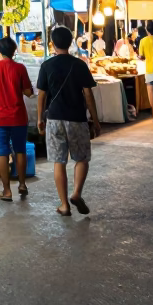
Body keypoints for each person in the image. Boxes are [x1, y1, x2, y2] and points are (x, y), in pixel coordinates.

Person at [37, 25, 100, 217]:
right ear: (71, 42)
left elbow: (41, 94)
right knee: (81, 158)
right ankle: (76, 193)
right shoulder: (79, 64)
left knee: (59, 161)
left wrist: (40, 118)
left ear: (53, 43)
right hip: (77, 118)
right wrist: (95, 120)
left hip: (54, 118)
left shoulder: (47, 65)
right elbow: (88, 94)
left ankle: (64, 205)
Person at [0, 36, 34, 201]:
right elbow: (29, 92)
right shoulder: (20, 68)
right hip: (18, 116)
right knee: (20, 150)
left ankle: (6, 191)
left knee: (2, 153)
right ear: (14, 51)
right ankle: (22, 184)